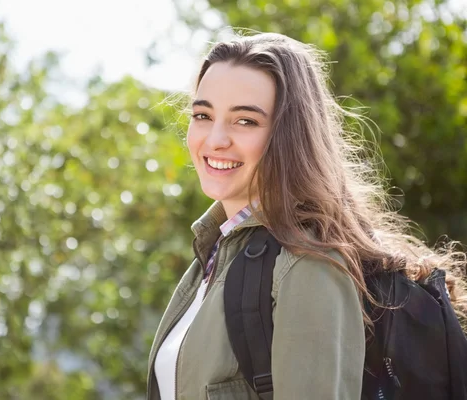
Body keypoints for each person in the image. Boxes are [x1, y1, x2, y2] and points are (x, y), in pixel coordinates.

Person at [145, 32, 467, 400]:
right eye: (203, 115)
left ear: (288, 134)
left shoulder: (306, 265)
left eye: (245, 121)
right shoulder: (214, 252)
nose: (215, 138)